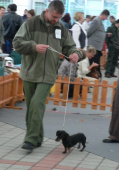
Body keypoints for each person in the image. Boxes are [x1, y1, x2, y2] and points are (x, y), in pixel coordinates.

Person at [13, 1, 82, 151]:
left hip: (49, 75)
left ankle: (30, 140)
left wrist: (75, 54)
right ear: (47, 11)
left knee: (37, 104)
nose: (56, 20)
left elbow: (70, 47)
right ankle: (38, 138)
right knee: (32, 107)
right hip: (30, 73)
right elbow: (17, 43)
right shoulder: (30, 24)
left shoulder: (62, 28)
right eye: (54, 16)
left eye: (59, 17)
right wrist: (33, 47)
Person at [87, 10, 110, 78]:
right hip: (94, 46)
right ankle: (92, 77)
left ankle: (96, 76)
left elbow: (99, 32)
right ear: (104, 15)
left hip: (98, 47)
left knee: (96, 63)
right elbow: (89, 32)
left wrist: (106, 34)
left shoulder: (100, 22)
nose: (106, 19)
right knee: (93, 63)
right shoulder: (96, 20)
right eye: (106, 17)